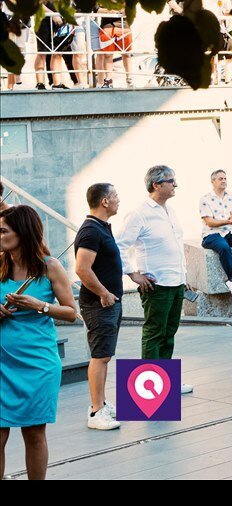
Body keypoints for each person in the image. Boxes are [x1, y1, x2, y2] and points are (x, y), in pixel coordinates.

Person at [0, 206, 78, 480]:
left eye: (3, 231)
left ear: (22, 232)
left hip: (37, 363)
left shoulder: (50, 267)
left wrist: (40, 305)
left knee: (34, 433)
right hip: (2, 364)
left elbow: (71, 312)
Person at [117, 166, 192, 379]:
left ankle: (164, 383)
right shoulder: (139, 213)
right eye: (171, 180)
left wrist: (183, 276)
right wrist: (132, 273)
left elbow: (175, 245)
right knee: (155, 333)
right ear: (156, 185)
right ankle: (151, 389)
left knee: (169, 334)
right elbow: (119, 246)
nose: (175, 184)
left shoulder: (170, 210)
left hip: (176, 282)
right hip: (156, 284)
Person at [74, 183, 124, 431]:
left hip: (109, 302)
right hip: (99, 303)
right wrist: (103, 293)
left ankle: (101, 403)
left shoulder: (101, 228)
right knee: (100, 357)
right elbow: (82, 268)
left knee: (104, 356)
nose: (118, 200)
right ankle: (95, 412)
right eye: (115, 196)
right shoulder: (91, 231)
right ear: (104, 201)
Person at [199, 169, 232, 287]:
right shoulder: (205, 199)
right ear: (213, 181)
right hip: (212, 233)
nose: (224, 181)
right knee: (223, 247)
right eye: (220, 179)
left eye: (225, 178)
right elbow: (209, 222)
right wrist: (227, 221)